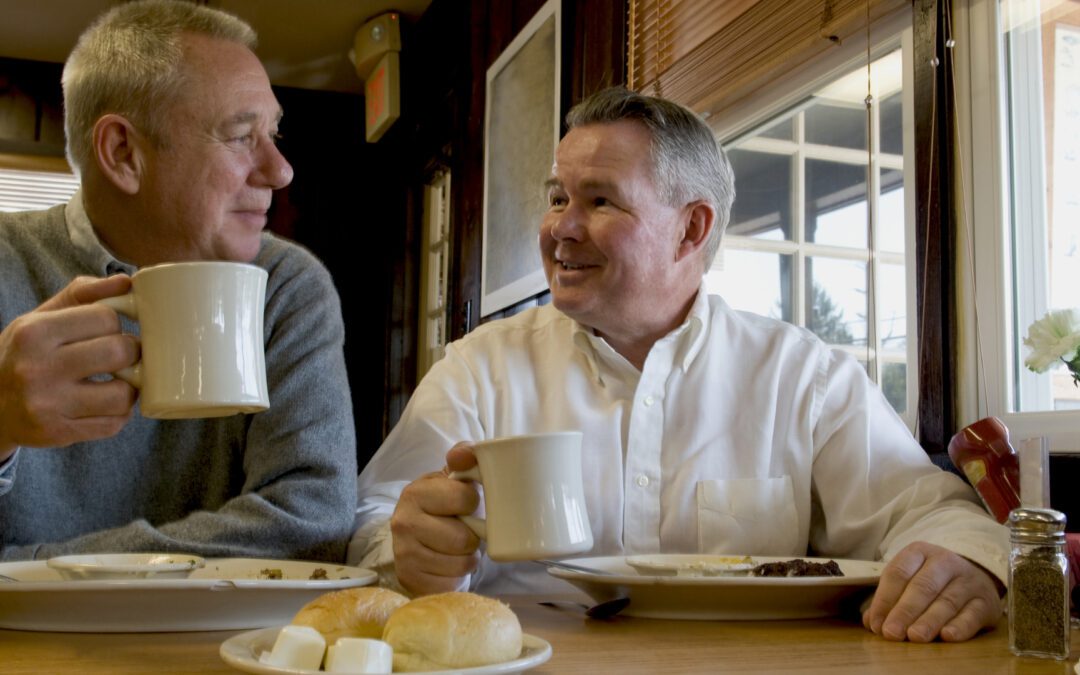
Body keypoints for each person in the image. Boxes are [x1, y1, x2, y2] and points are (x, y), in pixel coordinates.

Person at [349, 86, 1010, 642]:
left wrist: (964, 563)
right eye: (558, 198)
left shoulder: (801, 375)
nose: (560, 229)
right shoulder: (478, 369)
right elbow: (372, 521)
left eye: (599, 201)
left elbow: (936, 516)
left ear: (692, 229)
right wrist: (407, 551)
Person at [0, 0, 357, 562]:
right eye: (242, 136)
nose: (281, 171)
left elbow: (310, 520)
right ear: (123, 153)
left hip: (233, 647)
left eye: (274, 135)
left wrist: (41, 573)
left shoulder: (287, 286)